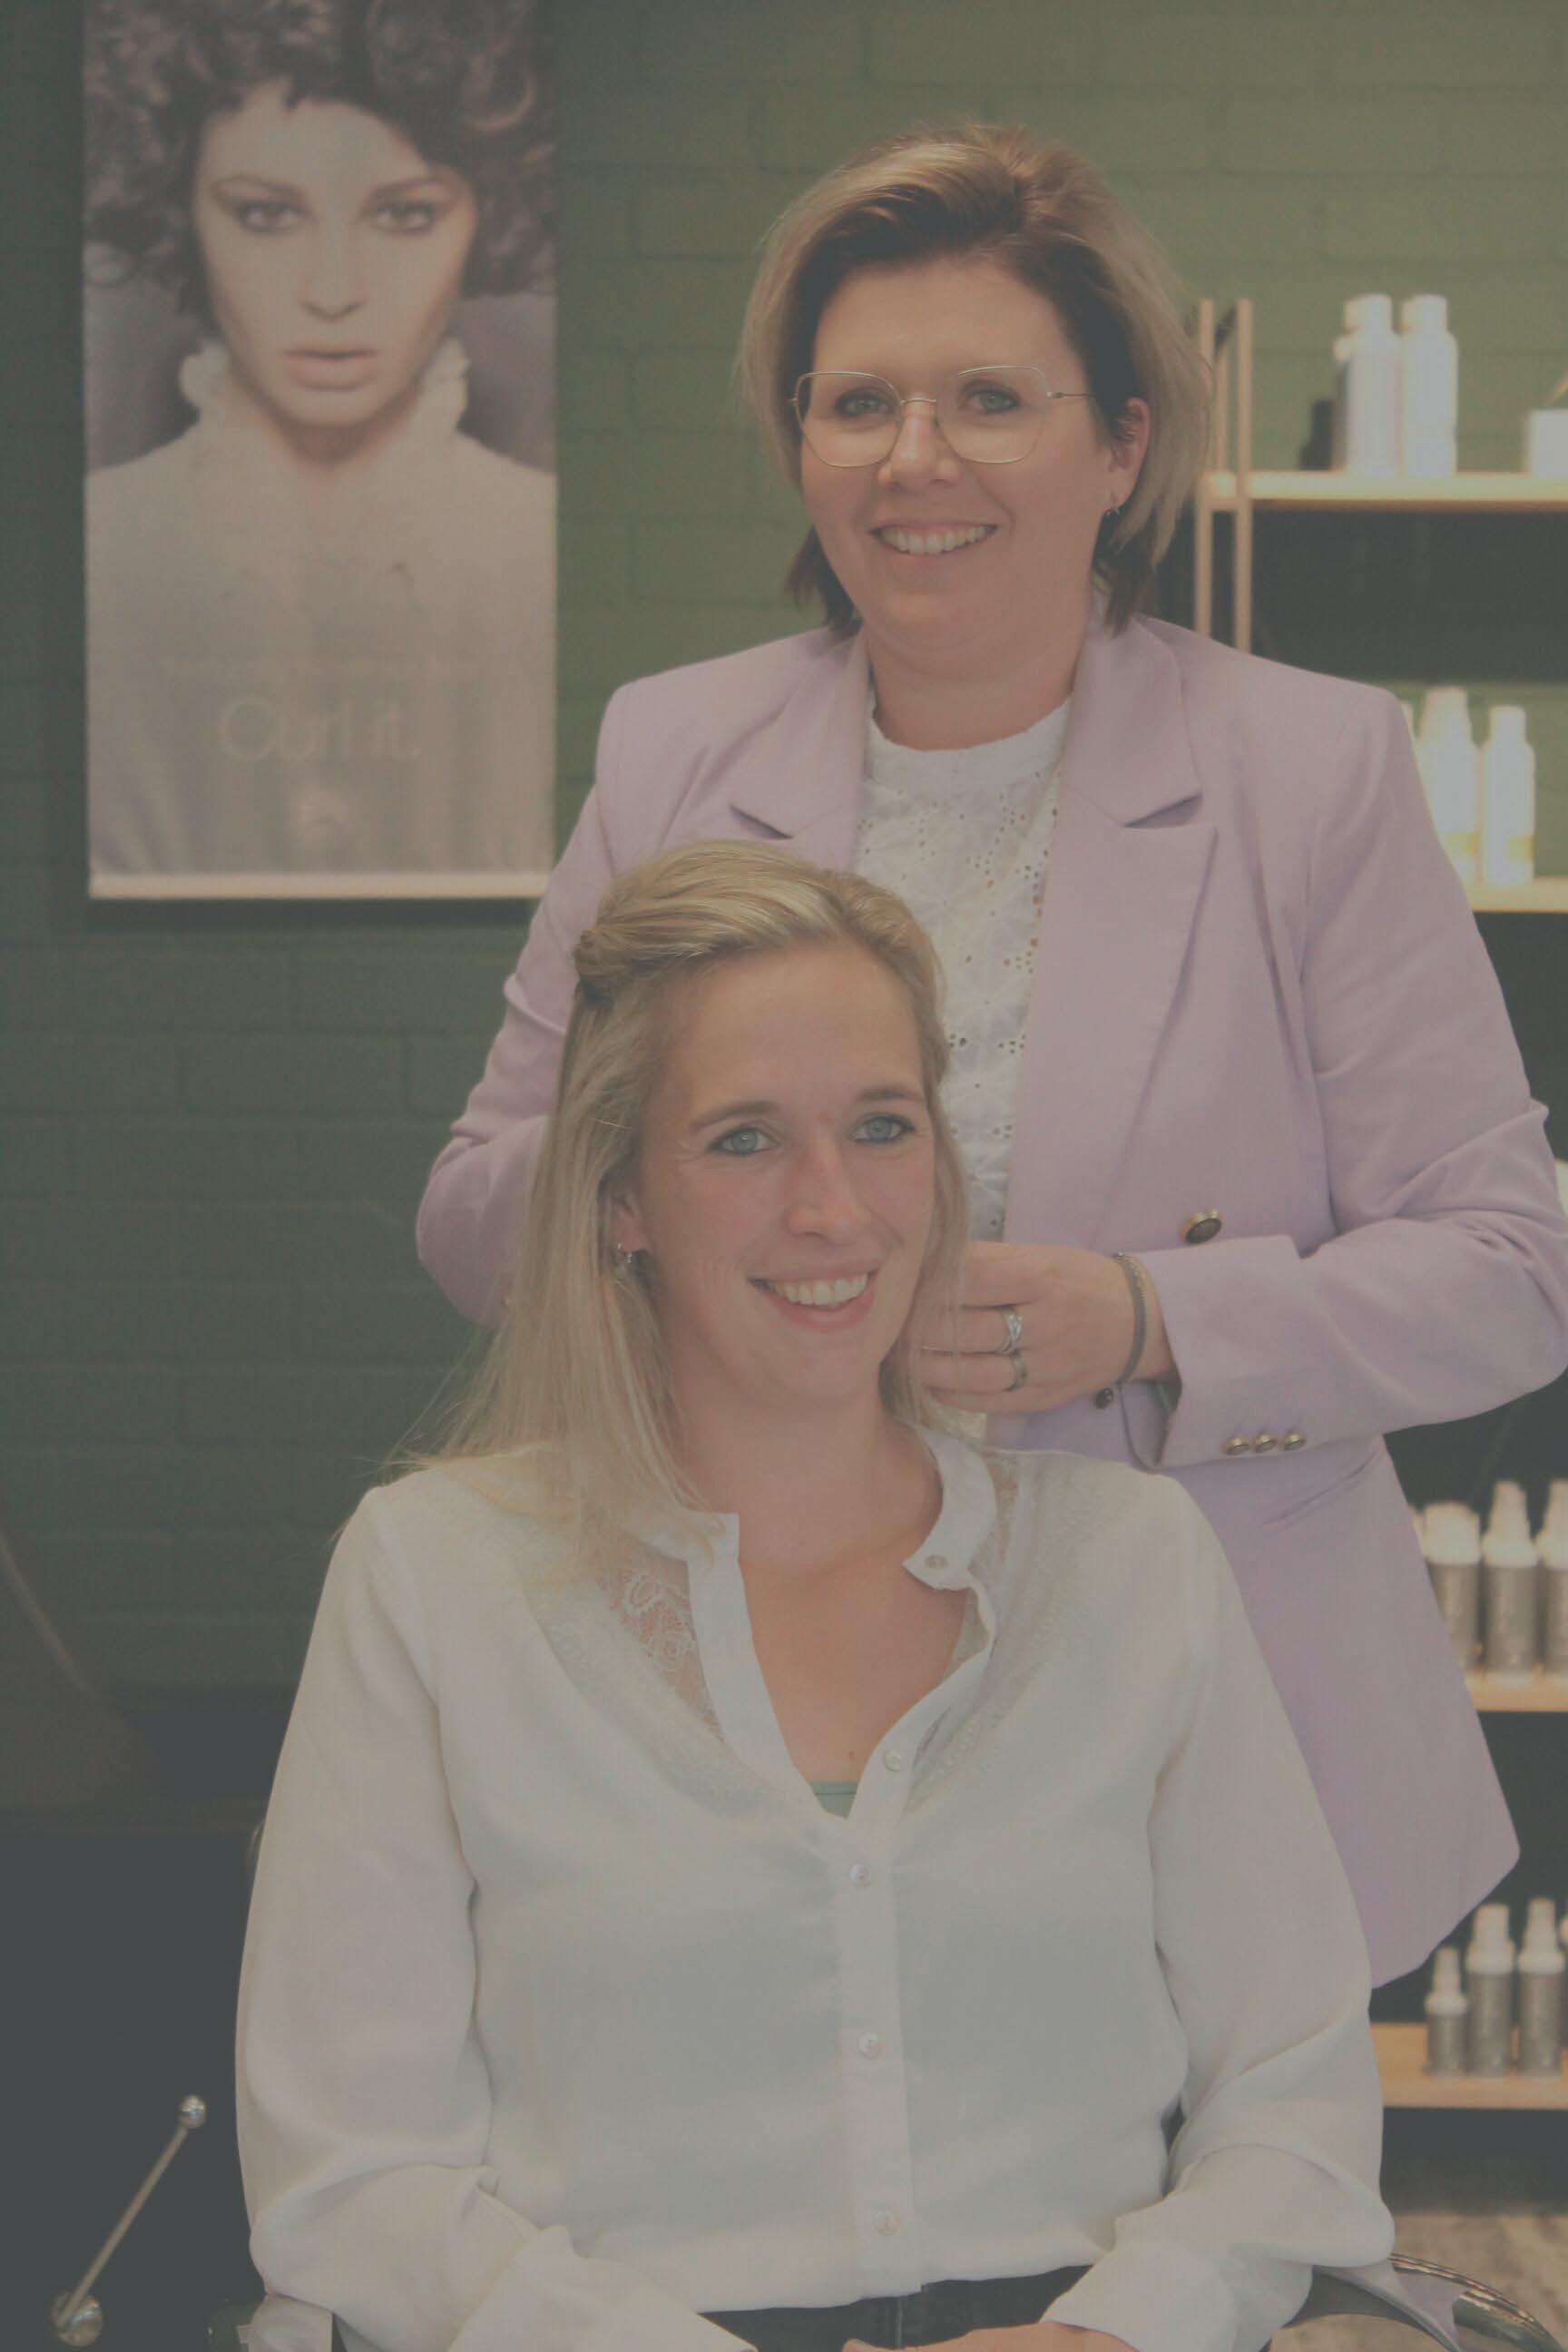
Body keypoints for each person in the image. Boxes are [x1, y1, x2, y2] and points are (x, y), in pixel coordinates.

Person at [415, 123, 1568, 1986]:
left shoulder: (1306, 770)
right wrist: (687, 1207)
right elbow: (478, 1216)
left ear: (1119, 445)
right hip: (764, 1704)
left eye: (988, 400)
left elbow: (1515, 1271)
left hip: (1199, 1713)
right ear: (799, 442)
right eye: (856, 402)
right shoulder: (673, 754)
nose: (914, 459)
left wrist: (1150, 1318)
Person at [240, 842, 1393, 2352]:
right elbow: (352, 2174)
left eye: (880, 1126)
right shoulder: (433, 1576)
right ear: (619, 1198)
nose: (832, 1207)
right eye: (743, 1140)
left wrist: (1110, 2334)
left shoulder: (1131, 1561)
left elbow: (1296, 2105)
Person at [83, 0, 554, 888]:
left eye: (404, 215)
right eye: (266, 215)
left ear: (485, 219)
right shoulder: (103, 543)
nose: (332, 291)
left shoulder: (538, 543)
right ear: (181, 212)